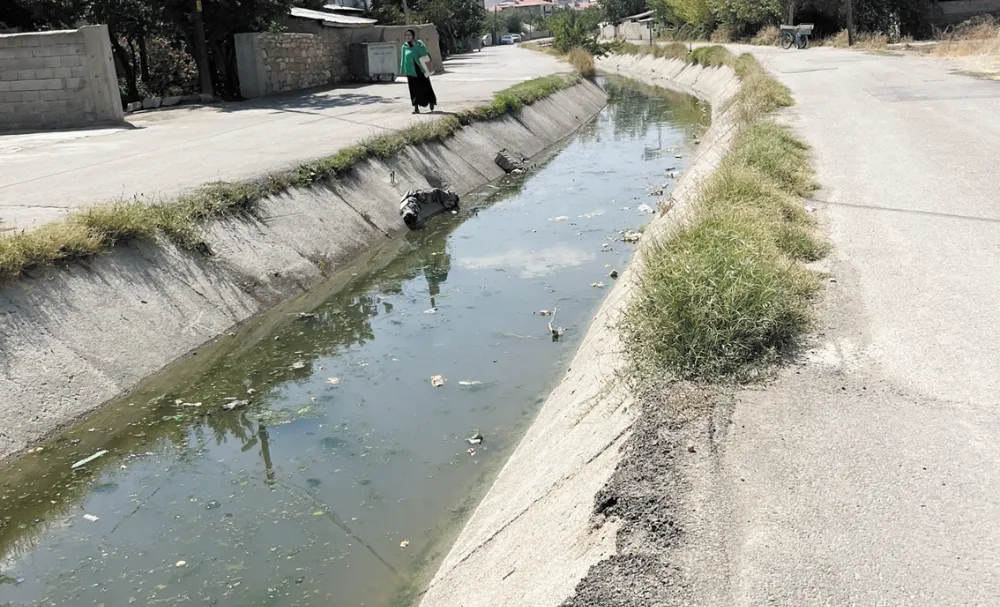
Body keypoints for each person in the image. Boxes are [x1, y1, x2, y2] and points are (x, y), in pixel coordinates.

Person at [400, 29, 437, 114]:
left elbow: (424, 53)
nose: (408, 36)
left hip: (421, 69)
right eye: (406, 35)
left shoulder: (419, 44)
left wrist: (416, 46)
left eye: (410, 35)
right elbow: (403, 58)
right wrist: (402, 69)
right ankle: (416, 107)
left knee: (425, 86)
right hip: (410, 71)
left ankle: (431, 101)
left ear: (413, 36)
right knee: (413, 89)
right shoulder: (404, 47)